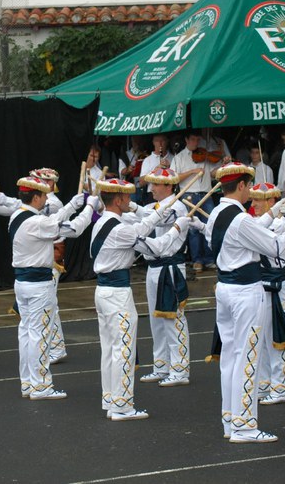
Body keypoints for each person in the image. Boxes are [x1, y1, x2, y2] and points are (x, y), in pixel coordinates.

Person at [203, 162, 285, 443]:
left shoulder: (217, 214)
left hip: (224, 289)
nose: (250, 191)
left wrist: (271, 214)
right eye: (249, 185)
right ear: (241, 185)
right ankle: (245, 425)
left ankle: (230, 420)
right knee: (248, 355)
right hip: (245, 292)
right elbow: (275, 247)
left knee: (230, 357)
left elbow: (245, 232)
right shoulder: (240, 219)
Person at [91, 177, 189, 421]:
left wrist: (158, 215)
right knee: (123, 348)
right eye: (126, 197)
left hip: (104, 292)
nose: (130, 200)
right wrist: (177, 229)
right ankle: (122, 406)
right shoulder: (119, 229)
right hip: (117, 293)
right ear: (118, 200)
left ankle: (111, 399)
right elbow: (155, 245)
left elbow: (143, 225)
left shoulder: (103, 221)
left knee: (110, 348)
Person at [9, 175, 95, 399]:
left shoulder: (18, 216)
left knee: (26, 333)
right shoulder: (37, 222)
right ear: (36, 197)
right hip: (39, 286)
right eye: (44, 195)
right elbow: (74, 229)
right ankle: (40, 386)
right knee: (39, 335)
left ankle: (28, 382)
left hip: (22, 284)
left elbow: (54, 220)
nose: (47, 199)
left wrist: (72, 205)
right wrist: (89, 208)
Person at [128, 167, 191, 387]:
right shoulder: (151, 207)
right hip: (153, 268)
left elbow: (159, 220)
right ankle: (161, 365)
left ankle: (180, 369)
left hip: (170, 267)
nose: (151, 188)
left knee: (173, 319)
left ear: (169, 186)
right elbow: (141, 217)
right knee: (156, 320)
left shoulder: (178, 206)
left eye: (155, 184)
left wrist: (134, 208)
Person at [246, 183, 285, 406]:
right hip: (260, 283)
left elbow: (265, 244)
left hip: (276, 284)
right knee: (261, 336)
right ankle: (265, 382)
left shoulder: (280, 223)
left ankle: (281, 386)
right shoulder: (258, 221)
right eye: (253, 199)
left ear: (271, 201)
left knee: (276, 334)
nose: (253, 204)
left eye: (258, 200)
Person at [171, 129, 227, 272]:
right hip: (189, 194)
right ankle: (197, 260)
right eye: (193, 140)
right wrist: (192, 171)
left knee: (209, 225)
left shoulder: (205, 155)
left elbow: (213, 174)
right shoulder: (179, 157)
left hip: (206, 194)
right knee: (193, 229)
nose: (196, 143)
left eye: (197, 140)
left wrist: (223, 165)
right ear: (186, 140)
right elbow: (174, 178)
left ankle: (209, 259)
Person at [29, 167, 68, 363]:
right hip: (42, 253)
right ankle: (54, 345)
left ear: (51, 183)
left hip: (52, 254)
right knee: (47, 303)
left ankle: (57, 347)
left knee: (50, 303)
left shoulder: (53, 203)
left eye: (40, 181)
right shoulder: (41, 201)